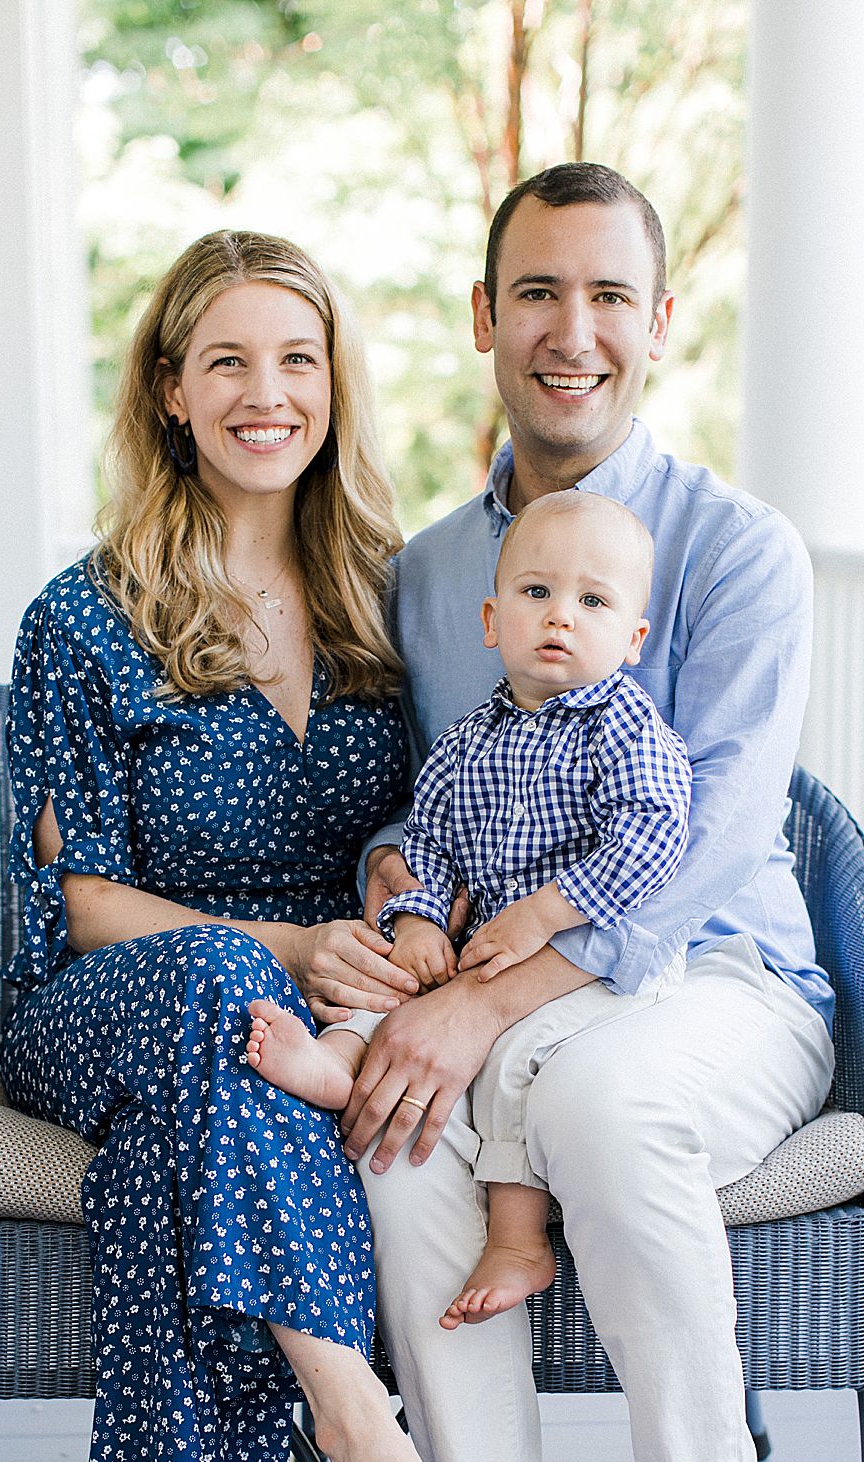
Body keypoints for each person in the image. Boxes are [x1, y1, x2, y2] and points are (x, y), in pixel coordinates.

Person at [330, 164, 836, 1462]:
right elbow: (436, 805)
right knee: (395, 1125)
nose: (574, 331)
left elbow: (719, 830)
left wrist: (488, 996)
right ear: (486, 321)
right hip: (500, 976)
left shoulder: (739, 553)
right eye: (538, 291)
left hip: (722, 984)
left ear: (660, 326)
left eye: (611, 294)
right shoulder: (426, 578)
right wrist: (405, 910)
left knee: (611, 1099)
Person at [0, 230, 491, 1462]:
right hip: (95, 1010)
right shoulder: (86, 616)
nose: (269, 394)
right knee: (211, 984)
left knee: (185, 1134)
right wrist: (293, 941)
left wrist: (400, 935)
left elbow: (451, 824)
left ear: (335, 386)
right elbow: (88, 905)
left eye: (299, 359)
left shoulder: (395, 605)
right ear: (171, 393)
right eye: (230, 363)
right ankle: (356, 1419)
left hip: (270, 1052)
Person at [245, 488, 691, 1331]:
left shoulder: (626, 730)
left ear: (633, 641)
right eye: (536, 593)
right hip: (483, 950)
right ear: (493, 620)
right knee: (391, 1000)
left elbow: (654, 838)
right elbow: (432, 846)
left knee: (520, 1054)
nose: (561, 616)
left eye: (593, 602)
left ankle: (519, 1237)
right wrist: (413, 919)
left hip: (587, 961)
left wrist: (546, 913)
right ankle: (336, 1063)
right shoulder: (464, 744)